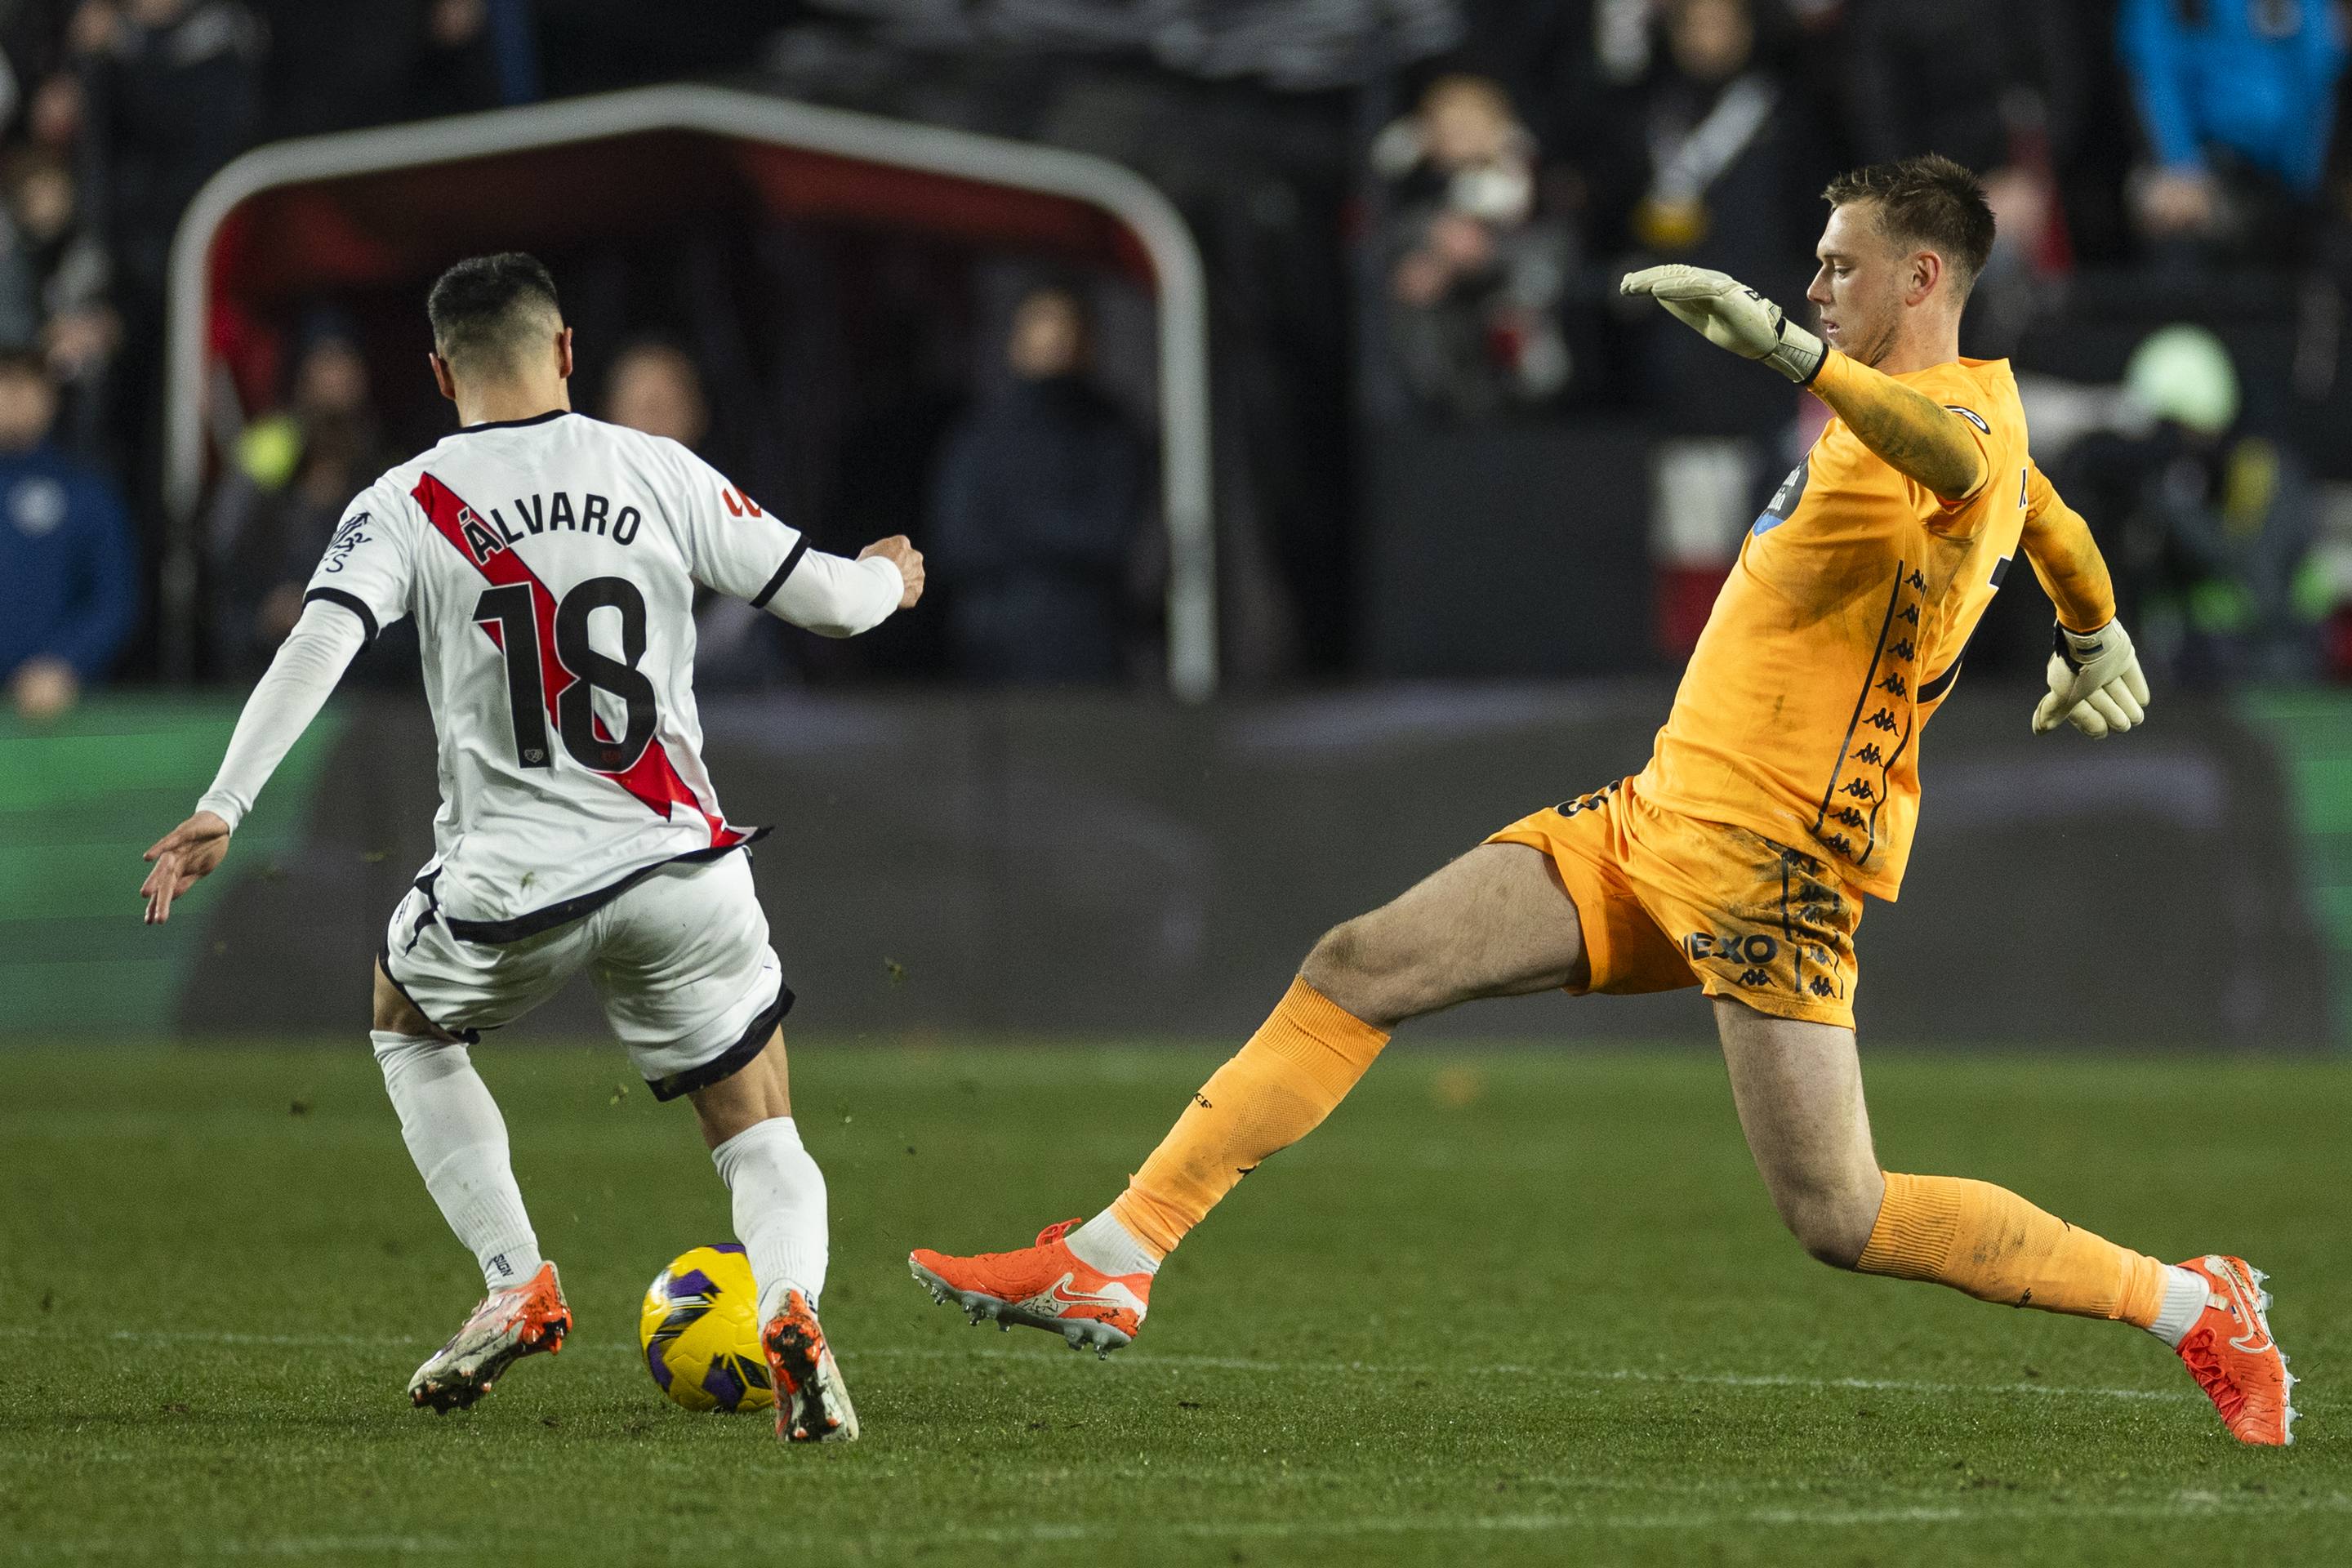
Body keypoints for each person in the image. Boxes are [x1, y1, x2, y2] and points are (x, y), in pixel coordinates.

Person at [908, 157, 2297, 1447]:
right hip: (1655, 824)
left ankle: (2194, 1305)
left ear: (1923, 280)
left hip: (1774, 871)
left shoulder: (1947, 421)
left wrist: (1793, 353)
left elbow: (1974, 470)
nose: (1815, 287)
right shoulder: (1950, 419)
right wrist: (2092, 625)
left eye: (1838, 267)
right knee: (1361, 962)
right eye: (1812, 272)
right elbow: (2041, 509)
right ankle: (1115, 1256)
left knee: (1840, 1213)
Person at [138, 253, 925, 1444]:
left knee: (405, 1021)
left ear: (441, 369)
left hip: (513, 885)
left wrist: (227, 801)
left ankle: (517, 1276)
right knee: (760, 1126)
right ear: (565, 352)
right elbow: (830, 603)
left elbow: (319, 643)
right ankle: (792, 1308)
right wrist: (888, 578)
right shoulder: (653, 468)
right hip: (679, 865)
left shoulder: (407, 500)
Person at [928, 283, 1149, 684]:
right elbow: (958, 544)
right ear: (1017, 341)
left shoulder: (1112, 434)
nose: (1056, 342)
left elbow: (1111, 536)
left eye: (1067, 329)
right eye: (1043, 326)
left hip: (1087, 648)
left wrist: (1016, 528)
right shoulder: (980, 436)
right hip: (991, 652)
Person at [0, 349, 135, 722]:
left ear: (51, 397)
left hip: (55, 707)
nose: (13, 395)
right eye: (4, 380)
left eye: (27, 382)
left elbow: (113, 600)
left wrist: (64, 662)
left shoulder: (86, 491)